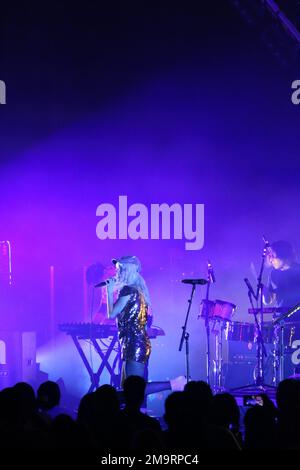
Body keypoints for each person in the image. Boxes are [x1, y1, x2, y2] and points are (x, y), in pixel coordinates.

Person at [106, 255, 186, 394]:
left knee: (132, 390)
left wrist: (108, 291)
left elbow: (111, 314)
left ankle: (174, 384)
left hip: (134, 343)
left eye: (119, 269)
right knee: (128, 390)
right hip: (132, 342)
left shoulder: (129, 290)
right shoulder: (137, 289)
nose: (116, 273)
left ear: (128, 270)